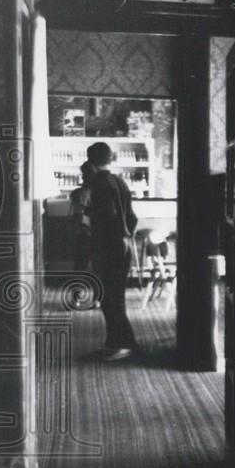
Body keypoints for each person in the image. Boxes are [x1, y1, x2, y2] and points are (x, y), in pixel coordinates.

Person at [86, 142, 139, 361]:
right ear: (111, 158)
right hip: (123, 243)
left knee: (108, 296)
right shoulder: (119, 181)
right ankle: (116, 342)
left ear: (90, 160)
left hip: (108, 244)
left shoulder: (98, 183)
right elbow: (132, 217)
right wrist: (127, 236)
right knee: (116, 294)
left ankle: (123, 344)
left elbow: (108, 215)